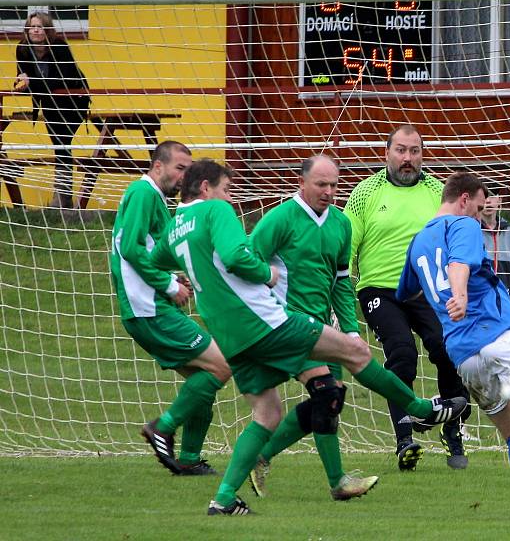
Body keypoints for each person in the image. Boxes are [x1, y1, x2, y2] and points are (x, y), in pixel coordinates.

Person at [149, 159, 467, 516]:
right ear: (207, 188)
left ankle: (223, 499)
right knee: (355, 354)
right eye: (226, 190)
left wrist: (181, 279)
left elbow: (153, 258)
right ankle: (423, 410)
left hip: (232, 335)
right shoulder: (229, 213)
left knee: (270, 413)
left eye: (334, 184)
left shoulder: (178, 226)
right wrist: (266, 275)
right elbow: (238, 255)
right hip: (272, 321)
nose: (230, 198)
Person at [397, 172, 510, 521]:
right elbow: (460, 262)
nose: (480, 214)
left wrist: (441, 297)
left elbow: (406, 292)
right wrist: (459, 294)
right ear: (463, 199)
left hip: (464, 356)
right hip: (501, 332)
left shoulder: (418, 242)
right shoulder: (464, 226)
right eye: (478, 206)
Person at [248, 155, 378, 501]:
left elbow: (340, 282)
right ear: (301, 182)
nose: (329, 191)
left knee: (329, 400)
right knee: (326, 395)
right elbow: (245, 263)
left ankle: (259, 456)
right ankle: (338, 482)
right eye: (321, 184)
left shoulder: (340, 223)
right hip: (287, 327)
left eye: (334, 185)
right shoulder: (278, 219)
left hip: (323, 329)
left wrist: (350, 331)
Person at [344, 124, 471, 471]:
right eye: (401, 150)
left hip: (428, 288)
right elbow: (345, 246)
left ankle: (453, 431)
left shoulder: (438, 191)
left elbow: (459, 239)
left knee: (447, 349)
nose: (407, 158)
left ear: (422, 154)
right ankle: (405, 441)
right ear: (387, 152)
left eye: (414, 151)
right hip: (379, 289)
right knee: (401, 353)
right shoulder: (364, 193)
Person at [110, 140, 231, 476]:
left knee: (204, 379)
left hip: (152, 306)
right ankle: (161, 427)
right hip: (147, 308)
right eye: (179, 167)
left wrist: (172, 276)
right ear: (158, 165)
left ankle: (189, 458)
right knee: (221, 366)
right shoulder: (143, 192)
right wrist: (167, 285)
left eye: (187, 169)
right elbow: (129, 249)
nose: (184, 175)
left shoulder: (156, 201)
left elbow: (147, 251)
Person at [15, 11, 90, 209]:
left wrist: (33, 82)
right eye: (32, 26)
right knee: (60, 143)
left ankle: (62, 196)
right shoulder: (22, 49)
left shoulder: (60, 47)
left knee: (62, 141)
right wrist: (22, 80)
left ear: (47, 29)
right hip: (49, 102)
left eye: (39, 26)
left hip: (74, 101)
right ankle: (63, 196)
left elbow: (61, 80)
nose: (35, 30)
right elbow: (23, 77)